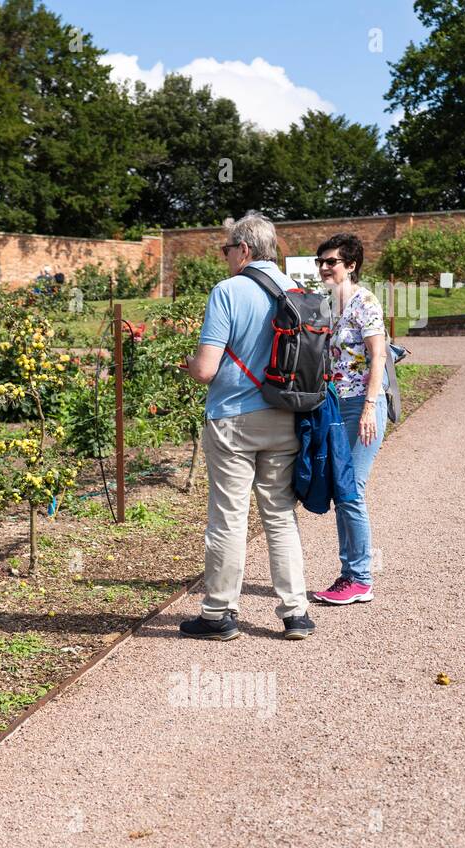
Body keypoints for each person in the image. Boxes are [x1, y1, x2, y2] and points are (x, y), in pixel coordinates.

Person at [179, 212, 314, 641]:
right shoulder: (298, 292)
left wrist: (188, 366)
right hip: (287, 416)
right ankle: (296, 613)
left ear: (244, 250)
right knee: (279, 515)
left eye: (226, 250)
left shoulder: (228, 292)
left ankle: (218, 614)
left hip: (234, 418)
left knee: (228, 518)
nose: (224, 258)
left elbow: (205, 369)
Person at [312, 233, 387, 605]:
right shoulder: (329, 305)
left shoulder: (364, 303)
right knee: (342, 490)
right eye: (321, 261)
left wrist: (371, 407)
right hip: (337, 406)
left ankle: (360, 578)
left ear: (351, 265)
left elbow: (379, 356)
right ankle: (349, 575)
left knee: (351, 489)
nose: (325, 267)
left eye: (332, 261)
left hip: (362, 406)